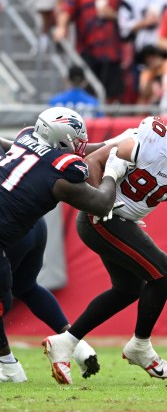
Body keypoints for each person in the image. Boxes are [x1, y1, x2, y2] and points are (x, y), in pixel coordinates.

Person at [42, 99, 167, 385]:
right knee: (163, 273)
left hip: (123, 221)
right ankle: (140, 346)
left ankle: (65, 342)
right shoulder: (151, 138)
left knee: (128, 289)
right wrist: (99, 202)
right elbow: (95, 160)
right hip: (101, 218)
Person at [0, 107, 130, 382]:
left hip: (11, 226)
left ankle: (9, 367)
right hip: (32, 227)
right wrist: (113, 172)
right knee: (27, 287)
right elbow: (101, 200)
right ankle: (76, 344)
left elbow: (100, 200)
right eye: (75, 138)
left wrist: (115, 151)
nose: (79, 144)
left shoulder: (25, 136)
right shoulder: (61, 174)